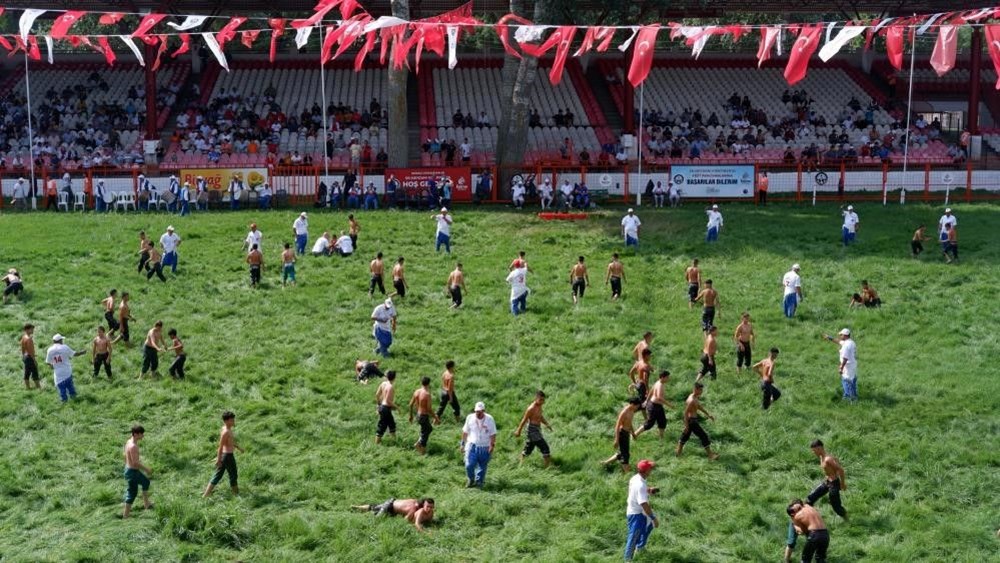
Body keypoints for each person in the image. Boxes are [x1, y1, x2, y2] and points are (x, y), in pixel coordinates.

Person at [624, 459, 660, 562]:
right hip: (636, 514)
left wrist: (648, 490)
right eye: (650, 468)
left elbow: (637, 491)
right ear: (646, 471)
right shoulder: (640, 485)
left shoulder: (635, 478)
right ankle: (628, 560)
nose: (651, 470)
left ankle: (640, 548)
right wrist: (653, 518)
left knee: (649, 526)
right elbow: (643, 504)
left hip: (641, 512)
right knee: (634, 537)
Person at [203, 411, 244, 497]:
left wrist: (238, 447)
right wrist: (218, 459)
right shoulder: (226, 432)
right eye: (232, 420)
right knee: (233, 474)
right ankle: (236, 494)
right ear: (226, 421)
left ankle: (206, 495)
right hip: (228, 456)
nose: (233, 421)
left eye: (233, 420)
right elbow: (220, 446)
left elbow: (230, 441)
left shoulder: (226, 429)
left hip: (225, 456)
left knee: (218, 475)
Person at [676, 383, 719, 459]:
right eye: (700, 390)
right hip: (692, 421)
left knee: (685, 436)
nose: (701, 391)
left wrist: (708, 414)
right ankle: (710, 455)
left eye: (702, 389)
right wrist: (686, 425)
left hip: (692, 420)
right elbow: (685, 413)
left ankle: (678, 453)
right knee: (703, 436)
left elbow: (698, 406)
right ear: (695, 389)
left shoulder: (694, 397)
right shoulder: (691, 400)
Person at [461, 401, 497, 488]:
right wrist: (462, 444)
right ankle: (471, 479)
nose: (478, 413)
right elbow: (465, 432)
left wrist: (492, 445)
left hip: (485, 446)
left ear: (483, 411)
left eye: (480, 412)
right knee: (469, 464)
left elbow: (493, 433)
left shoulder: (489, 419)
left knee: (482, 465)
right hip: (472, 445)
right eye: (476, 411)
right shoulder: (470, 418)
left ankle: (479, 481)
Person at [602, 397, 643, 472]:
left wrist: (633, 433)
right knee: (625, 455)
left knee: (623, 452)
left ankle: (605, 463)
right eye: (637, 406)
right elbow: (617, 426)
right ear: (633, 404)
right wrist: (616, 440)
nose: (638, 407)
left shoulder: (632, 411)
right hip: (622, 434)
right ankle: (627, 474)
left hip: (626, 433)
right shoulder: (624, 412)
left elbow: (629, 423)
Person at [514, 390, 553, 468]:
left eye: (543, 400)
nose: (542, 402)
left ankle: (520, 465)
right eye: (540, 400)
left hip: (537, 429)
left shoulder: (539, 406)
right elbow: (524, 420)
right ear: (536, 398)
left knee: (529, 448)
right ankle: (547, 467)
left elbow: (540, 417)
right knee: (545, 447)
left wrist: (547, 424)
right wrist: (518, 430)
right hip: (532, 430)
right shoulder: (531, 408)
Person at [122, 425, 153, 519]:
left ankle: (146, 504)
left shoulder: (129, 442)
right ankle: (125, 516)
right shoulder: (133, 446)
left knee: (146, 482)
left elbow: (125, 455)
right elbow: (135, 463)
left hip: (129, 470)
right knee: (132, 493)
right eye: (141, 434)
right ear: (135, 434)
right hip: (132, 472)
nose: (143, 436)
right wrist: (147, 469)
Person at [350, 498, 435, 532]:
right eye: (427, 506)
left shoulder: (416, 501)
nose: (429, 509)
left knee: (373, 507)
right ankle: (362, 518)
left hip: (393, 504)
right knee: (376, 518)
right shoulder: (414, 508)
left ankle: (356, 507)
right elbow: (405, 520)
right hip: (390, 506)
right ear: (422, 506)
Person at [635, 370, 673, 441]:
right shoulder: (660, 385)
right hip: (654, 407)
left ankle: (661, 438)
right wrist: (669, 404)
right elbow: (659, 397)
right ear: (662, 377)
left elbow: (651, 390)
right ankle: (635, 434)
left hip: (658, 406)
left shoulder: (658, 382)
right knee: (649, 424)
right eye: (667, 377)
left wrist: (646, 401)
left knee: (662, 421)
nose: (668, 379)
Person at [823, 329, 858, 401]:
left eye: (841, 335)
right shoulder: (850, 342)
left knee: (846, 381)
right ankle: (854, 396)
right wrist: (829, 338)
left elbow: (845, 358)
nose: (840, 336)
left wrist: (841, 367)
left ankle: (848, 399)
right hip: (852, 365)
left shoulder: (846, 345)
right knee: (852, 380)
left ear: (845, 335)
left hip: (847, 366)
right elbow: (839, 341)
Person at [409, 376, 440, 455]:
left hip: (418, 415)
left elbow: (410, 404)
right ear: (429, 384)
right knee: (426, 432)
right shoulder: (427, 394)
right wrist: (436, 418)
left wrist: (411, 416)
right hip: (423, 416)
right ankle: (421, 449)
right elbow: (429, 409)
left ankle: (419, 444)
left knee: (428, 429)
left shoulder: (417, 391)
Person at [374, 370, 398, 443]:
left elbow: (377, 395)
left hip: (383, 407)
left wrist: (378, 405)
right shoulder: (390, 387)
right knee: (382, 426)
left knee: (392, 424)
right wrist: (397, 407)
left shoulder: (383, 384)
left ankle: (394, 441)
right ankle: (376, 444)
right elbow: (388, 401)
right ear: (394, 378)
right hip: (386, 408)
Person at [21, 324, 41, 390]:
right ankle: (38, 387)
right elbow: (31, 351)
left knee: (27, 372)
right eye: (31, 329)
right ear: (27, 330)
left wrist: (23, 356)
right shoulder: (29, 339)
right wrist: (34, 360)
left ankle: (27, 387)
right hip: (30, 357)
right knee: (35, 372)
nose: (33, 330)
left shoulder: (24, 337)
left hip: (25, 357)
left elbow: (23, 348)